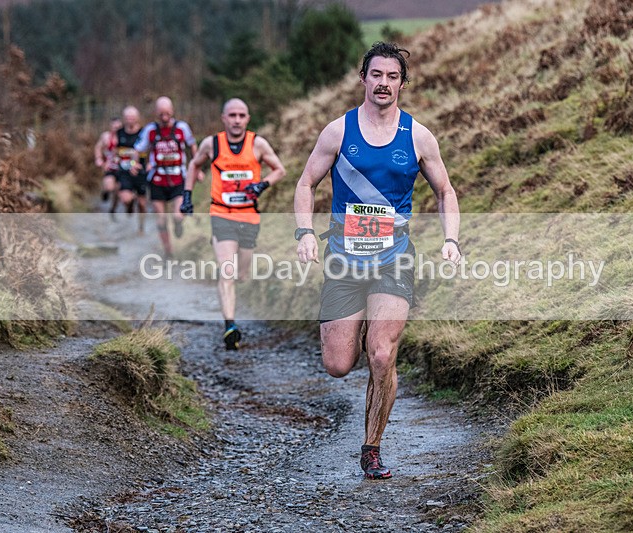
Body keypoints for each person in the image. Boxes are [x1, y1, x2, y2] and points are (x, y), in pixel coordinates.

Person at [293, 42, 462, 480]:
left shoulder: (419, 136)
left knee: (382, 355)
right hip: (343, 262)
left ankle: (371, 448)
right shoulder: (337, 132)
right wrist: (305, 232)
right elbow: (306, 183)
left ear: (402, 83)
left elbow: (446, 191)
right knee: (337, 364)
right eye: (376, 75)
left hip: (394, 259)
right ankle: (362, 334)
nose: (383, 83)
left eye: (392, 76)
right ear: (363, 78)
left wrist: (451, 240)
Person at [182, 98, 286, 350]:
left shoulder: (257, 144)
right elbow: (194, 164)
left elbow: (279, 170)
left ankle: (231, 311)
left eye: (241, 115)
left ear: (247, 118)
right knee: (227, 273)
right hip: (222, 214)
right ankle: (230, 325)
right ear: (224, 118)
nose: (237, 120)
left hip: (249, 215)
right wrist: (187, 195)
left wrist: (262, 184)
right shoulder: (212, 143)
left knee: (241, 273)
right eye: (232, 115)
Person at [133, 96, 200, 258]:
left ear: (172, 111)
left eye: (167, 113)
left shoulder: (182, 128)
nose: (164, 117)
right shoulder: (150, 130)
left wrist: (197, 167)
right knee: (161, 220)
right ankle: (168, 251)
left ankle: (178, 224)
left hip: (178, 178)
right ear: (156, 113)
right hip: (157, 179)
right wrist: (134, 164)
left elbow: (192, 145)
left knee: (177, 215)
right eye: (161, 114)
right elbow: (137, 149)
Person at [113, 105, 147, 232]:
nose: (130, 120)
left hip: (140, 171)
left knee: (143, 204)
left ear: (137, 118)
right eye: (127, 117)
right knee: (126, 198)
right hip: (124, 171)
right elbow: (114, 149)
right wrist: (115, 158)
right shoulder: (119, 133)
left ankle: (141, 228)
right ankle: (130, 203)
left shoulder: (143, 133)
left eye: (132, 117)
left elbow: (149, 149)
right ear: (124, 119)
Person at [94, 116, 121, 217]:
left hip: (121, 168)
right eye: (114, 127)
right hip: (109, 166)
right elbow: (98, 147)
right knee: (110, 187)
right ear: (110, 126)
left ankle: (113, 209)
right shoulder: (105, 136)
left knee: (118, 192)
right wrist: (99, 159)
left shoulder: (123, 137)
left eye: (118, 127)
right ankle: (105, 192)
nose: (116, 129)